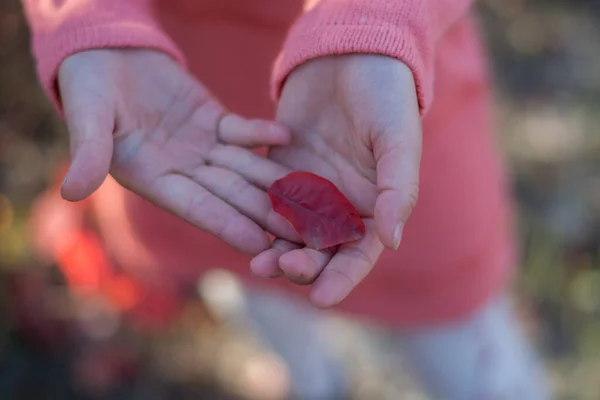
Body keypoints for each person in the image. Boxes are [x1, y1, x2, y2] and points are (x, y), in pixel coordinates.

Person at [22, 0, 551, 399]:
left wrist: (371, 21)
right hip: (182, 133)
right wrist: (83, 19)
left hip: (384, 110)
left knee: (469, 360)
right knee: (259, 291)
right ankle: (313, 383)